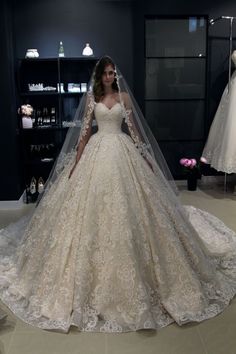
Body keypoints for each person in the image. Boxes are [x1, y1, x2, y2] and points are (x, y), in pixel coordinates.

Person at [1, 56, 236, 333]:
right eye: (107, 73)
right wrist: (76, 163)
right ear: (100, 76)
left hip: (122, 152)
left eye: (113, 73)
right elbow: (85, 134)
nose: (111, 77)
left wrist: (146, 158)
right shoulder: (92, 99)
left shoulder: (124, 97)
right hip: (97, 153)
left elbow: (135, 132)